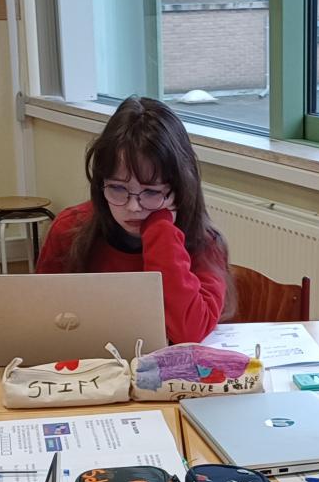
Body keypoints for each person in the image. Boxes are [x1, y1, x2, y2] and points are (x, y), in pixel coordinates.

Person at [36, 97, 231, 344]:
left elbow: (188, 333)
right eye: (117, 188)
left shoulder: (205, 243)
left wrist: (161, 231)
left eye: (151, 192)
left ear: (179, 191)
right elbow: (40, 318)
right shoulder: (70, 229)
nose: (133, 207)